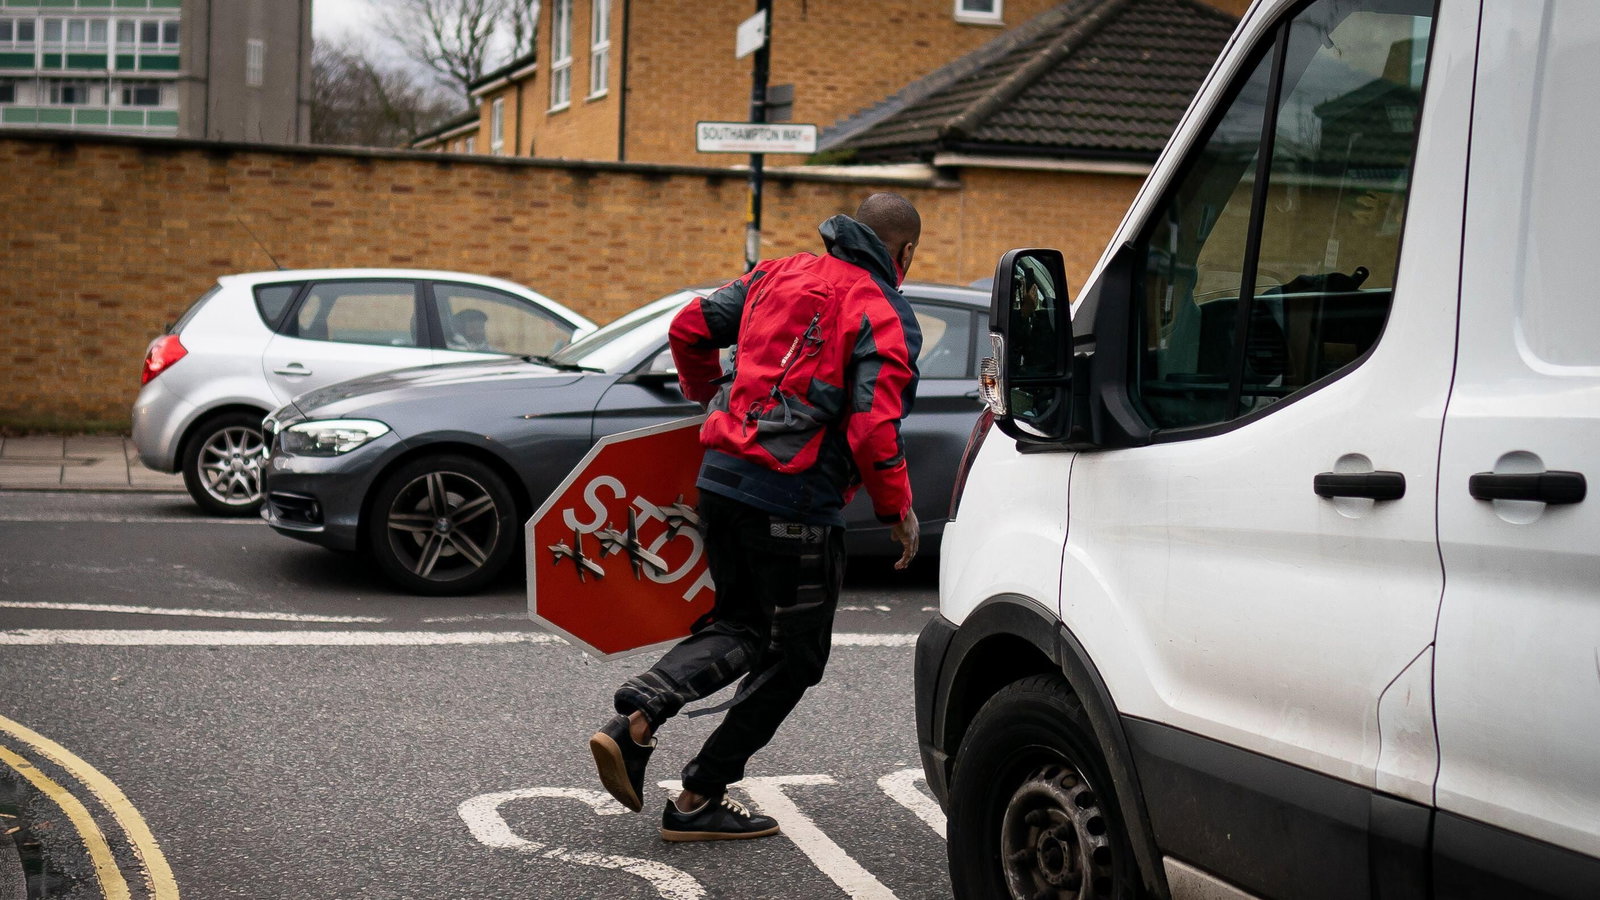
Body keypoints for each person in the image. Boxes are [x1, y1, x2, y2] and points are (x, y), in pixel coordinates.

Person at [589, 193, 924, 842]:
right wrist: (897, 509)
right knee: (796, 658)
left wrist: (707, 395)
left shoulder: (774, 273)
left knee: (743, 624)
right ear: (903, 252)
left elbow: (688, 326)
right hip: (795, 500)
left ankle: (637, 717)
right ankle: (697, 796)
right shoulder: (885, 311)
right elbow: (873, 428)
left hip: (722, 480)